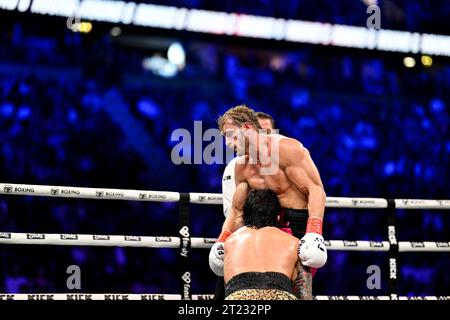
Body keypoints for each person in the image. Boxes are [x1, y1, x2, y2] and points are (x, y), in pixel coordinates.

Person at [210, 105, 327, 297]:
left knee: (298, 289)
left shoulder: (286, 149)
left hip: (296, 226)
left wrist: (314, 232)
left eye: (231, 135)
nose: (227, 143)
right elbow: (237, 211)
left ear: (247, 128)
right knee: (226, 276)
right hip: (260, 227)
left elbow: (315, 190)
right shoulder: (241, 168)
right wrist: (223, 239)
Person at [215, 111, 275, 300]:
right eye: (261, 130)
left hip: (280, 236)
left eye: (268, 131)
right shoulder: (237, 165)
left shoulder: (283, 159)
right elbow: (232, 210)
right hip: (243, 236)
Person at [224, 188, 313, 300]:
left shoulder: (230, 242)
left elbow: (227, 287)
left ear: (245, 215)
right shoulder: (293, 243)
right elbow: (305, 296)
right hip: (280, 296)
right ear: (278, 217)